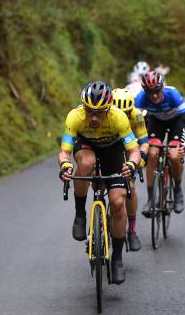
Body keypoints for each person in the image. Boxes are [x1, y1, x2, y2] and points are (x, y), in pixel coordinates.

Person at [58, 82, 141, 284]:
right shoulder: (75, 117)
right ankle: (80, 214)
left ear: (109, 109)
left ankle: (118, 258)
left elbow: (134, 150)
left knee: (118, 202)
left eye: (99, 113)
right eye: (89, 112)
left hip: (113, 151)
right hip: (86, 146)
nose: (94, 118)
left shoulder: (119, 117)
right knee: (85, 163)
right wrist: (65, 166)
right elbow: (65, 152)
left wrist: (131, 164)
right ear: (83, 108)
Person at [135, 71, 185, 216]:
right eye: (150, 92)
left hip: (176, 122)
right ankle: (150, 199)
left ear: (162, 88)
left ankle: (178, 190)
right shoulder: (140, 99)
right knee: (152, 153)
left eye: (157, 91)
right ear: (145, 91)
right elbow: (135, 125)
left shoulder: (172, 95)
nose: (154, 96)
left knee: (174, 155)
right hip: (156, 122)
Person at [112, 88, 149, 252]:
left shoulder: (137, 115)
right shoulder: (106, 116)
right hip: (111, 147)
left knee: (130, 187)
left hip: (129, 147)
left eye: (127, 113)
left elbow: (144, 142)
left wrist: (141, 156)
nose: (124, 117)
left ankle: (132, 230)